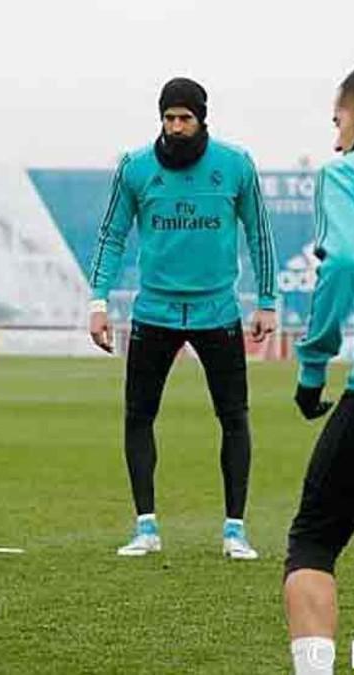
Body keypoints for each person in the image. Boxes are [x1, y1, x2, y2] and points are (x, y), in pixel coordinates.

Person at [87, 77, 278, 559]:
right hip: (154, 311)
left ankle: (235, 531)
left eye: (184, 118)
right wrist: (98, 302)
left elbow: (259, 234)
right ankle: (145, 528)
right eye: (168, 118)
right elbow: (111, 235)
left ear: (201, 118)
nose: (175, 127)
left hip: (218, 311)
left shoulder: (235, 164)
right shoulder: (135, 167)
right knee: (139, 416)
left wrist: (268, 301)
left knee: (233, 417)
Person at [282, 61, 354, 675]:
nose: (336, 138)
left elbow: (341, 263)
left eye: (337, 120)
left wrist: (313, 365)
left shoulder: (347, 173)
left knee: (314, 542)